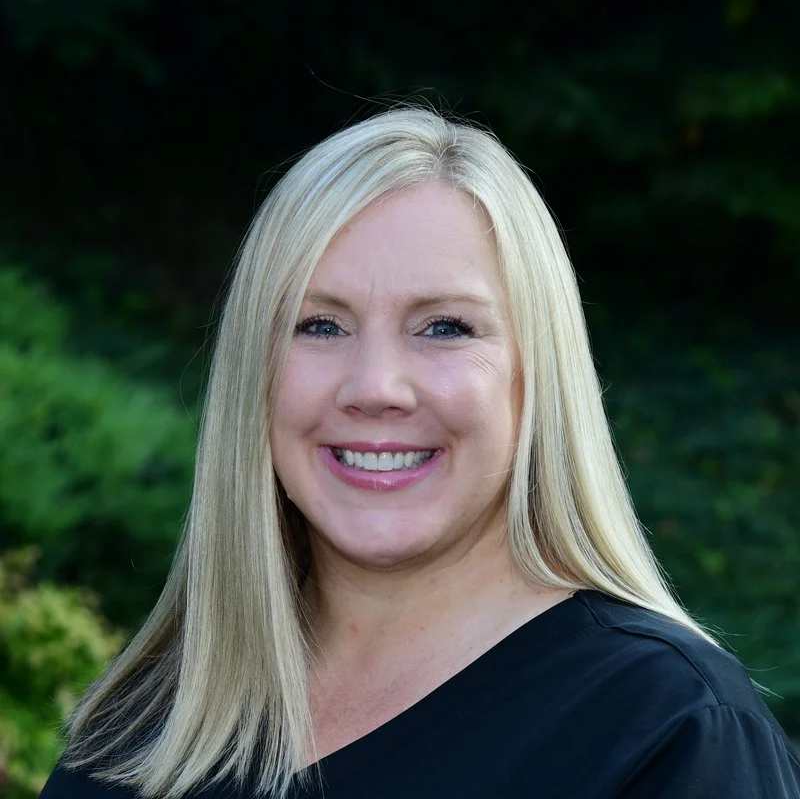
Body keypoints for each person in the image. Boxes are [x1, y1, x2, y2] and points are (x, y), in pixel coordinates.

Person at [41, 106, 800, 799]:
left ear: (537, 376)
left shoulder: (670, 731)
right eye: (320, 325)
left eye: (444, 328)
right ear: (253, 375)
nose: (376, 387)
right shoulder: (145, 732)